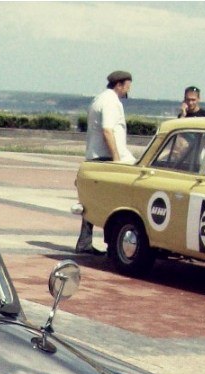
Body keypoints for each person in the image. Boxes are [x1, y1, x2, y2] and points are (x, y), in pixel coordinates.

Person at [76, 69, 136, 254]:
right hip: (105, 158)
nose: (128, 90)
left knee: (92, 201)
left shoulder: (100, 99)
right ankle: (112, 245)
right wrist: (117, 159)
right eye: (127, 86)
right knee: (112, 202)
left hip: (96, 156)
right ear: (119, 85)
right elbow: (107, 130)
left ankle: (85, 242)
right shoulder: (110, 102)